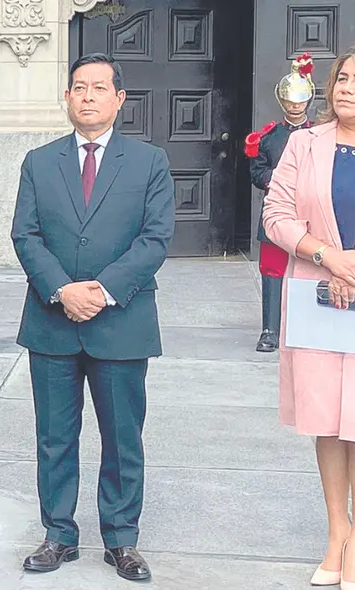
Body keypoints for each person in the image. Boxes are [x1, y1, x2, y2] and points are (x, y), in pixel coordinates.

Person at [10, 53, 175, 582]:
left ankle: (122, 538)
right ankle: (58, 533)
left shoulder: (148, 162)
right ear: (66, 97)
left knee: (123, 438)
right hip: (52, 321)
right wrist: (62, 289)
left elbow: (155, 238)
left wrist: (102, 292)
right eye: (78, 87)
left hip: (121, 321)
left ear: (119, 99)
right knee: (54, 437)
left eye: (99, 88)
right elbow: (25, 235)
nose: (87, 96)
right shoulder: (39, 162)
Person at [263, 45, 355, 589]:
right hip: (320, 298)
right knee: (327, 419)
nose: (347, 88)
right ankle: (338, 530)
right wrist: (328, 258)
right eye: (342, 78)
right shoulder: (304, 143)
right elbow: (276, 215)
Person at [245, 53, 315, 353]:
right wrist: (282, 180)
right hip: (277, 210)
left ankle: (306, 327)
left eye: (300, 100)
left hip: (311, 211)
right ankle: (270, 330)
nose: (295, 106)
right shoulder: (268, 137)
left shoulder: (318, 134)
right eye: (290, 100)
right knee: (272, 270)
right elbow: (257, 173)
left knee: (311, 270)